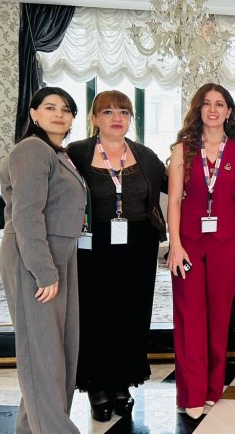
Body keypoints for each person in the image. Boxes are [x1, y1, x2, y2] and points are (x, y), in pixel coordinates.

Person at [66, 90, 167, 422]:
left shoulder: (145, 155)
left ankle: (123, 380)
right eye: (108, 111)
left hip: (139, 244)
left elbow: (175, 185)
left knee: (131, 314)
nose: (116, 118)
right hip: (92, 245)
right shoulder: (76, 153)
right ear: (94, 118)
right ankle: (97, 384)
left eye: (123, 112)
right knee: (95, 314)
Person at [0, 86, 85, 433]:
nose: (59, 114)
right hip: (35, 257)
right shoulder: (32, 149)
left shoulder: (57, 154)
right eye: (50, 107)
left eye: (66, 109)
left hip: (60, 255)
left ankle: (30, 429)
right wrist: (44, 271)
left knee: (57, 353)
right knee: (44, 356)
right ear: (33, 114)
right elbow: (27, 214)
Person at [167, 83, 235, 419]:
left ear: (228, 111)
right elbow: (174, 200)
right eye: (207, 103)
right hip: (188, 242)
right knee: (190, 316)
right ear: (198, 109)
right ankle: (192, 392)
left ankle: (213, 388)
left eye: (219, 104)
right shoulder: (183, 150)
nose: (213, 109)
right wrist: (174, 245)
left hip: (227, 243)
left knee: (219, 317)